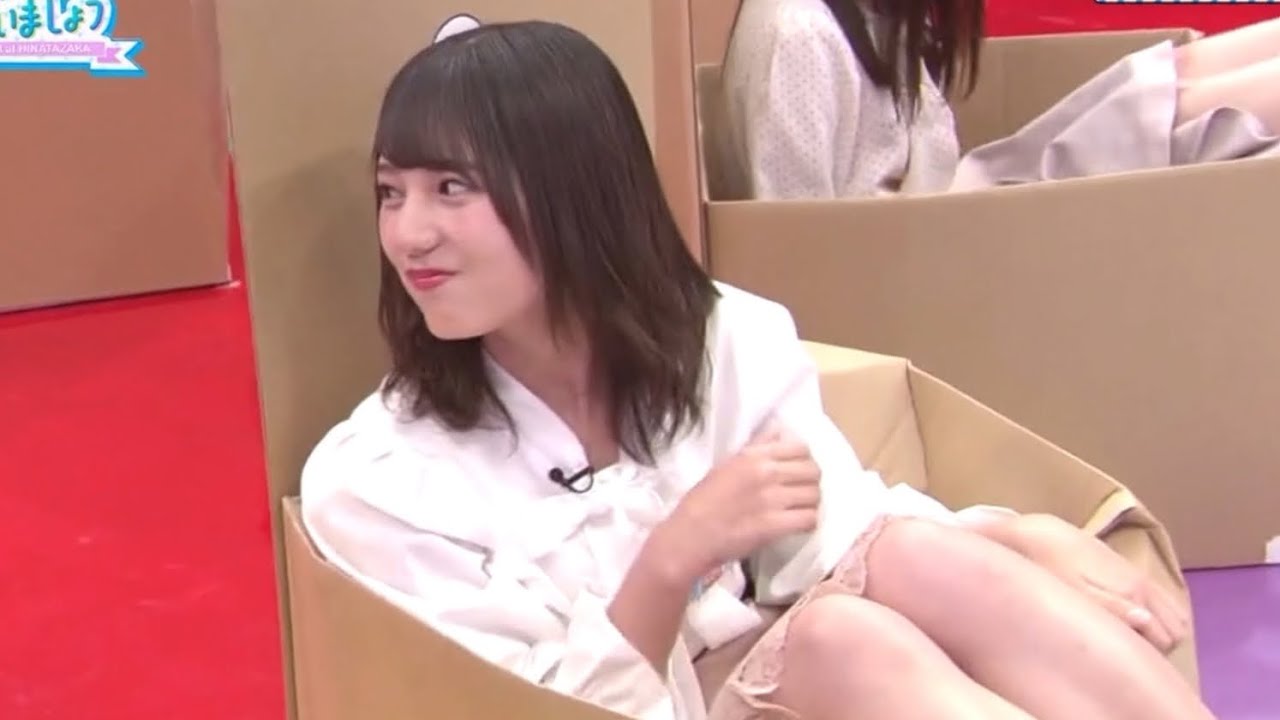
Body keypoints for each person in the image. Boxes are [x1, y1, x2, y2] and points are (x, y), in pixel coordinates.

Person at [299, 20, 1210, 720]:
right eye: (391, 192)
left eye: (451, 189)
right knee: (838, 640)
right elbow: (521, 705)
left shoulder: (718, 339)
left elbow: (841, 527)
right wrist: (670, 560)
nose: (408, 234)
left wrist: (1018, 536)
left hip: (761, 667)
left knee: (896, 569)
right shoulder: (378, 481)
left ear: (575, 189)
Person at [717, 0, 1280, 199]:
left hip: (965, 207)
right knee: (1165, 109)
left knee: (1168, 80)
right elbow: (797, 247)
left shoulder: (861, 15)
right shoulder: (798, 34)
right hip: (953, 246)